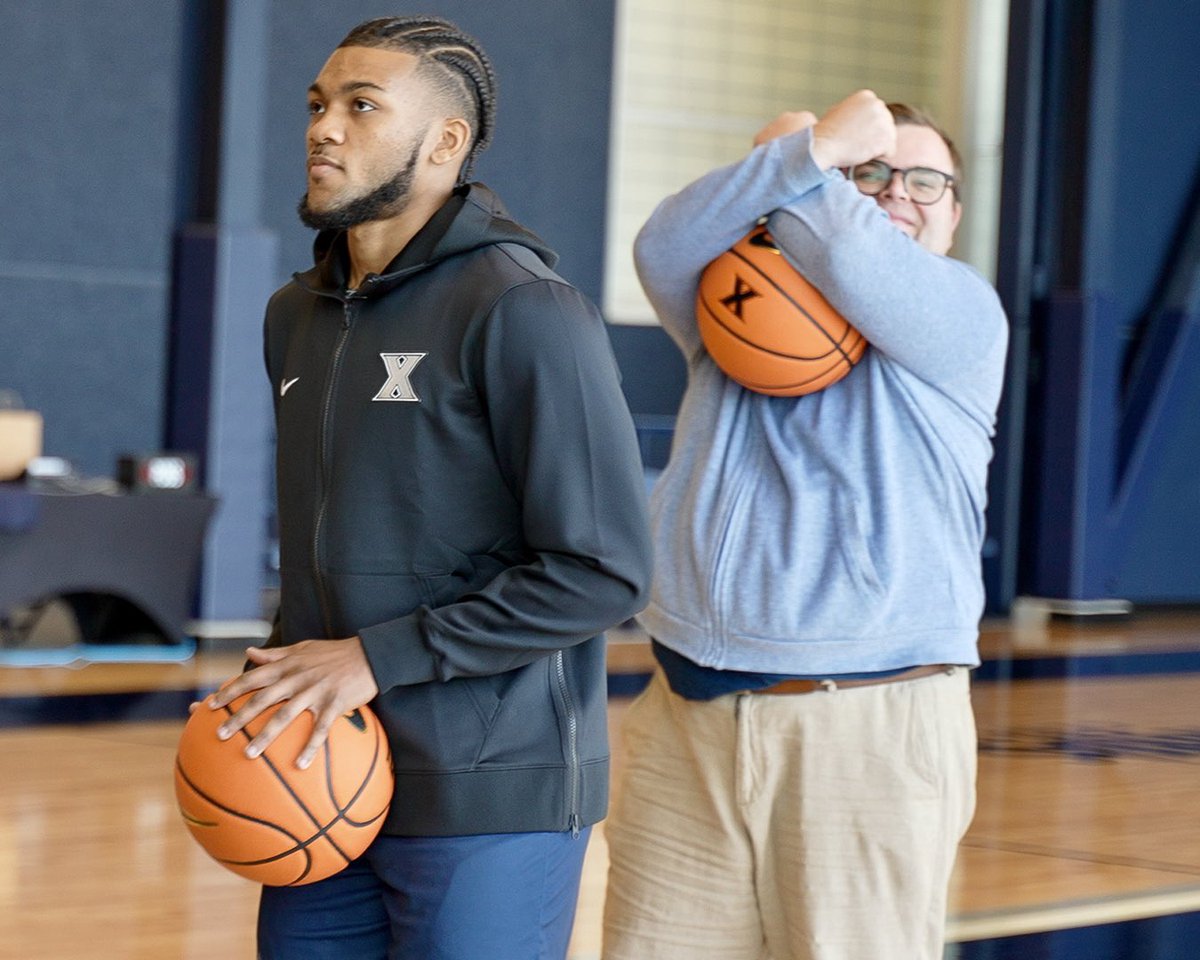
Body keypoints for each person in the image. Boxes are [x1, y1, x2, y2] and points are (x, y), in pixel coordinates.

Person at [198, 16, 652, 960]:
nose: (325, 128)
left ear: (444, 144)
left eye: (363, 107)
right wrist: (276, 684)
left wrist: (375, 655)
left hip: (490, 785)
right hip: (324, 772)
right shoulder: (296, 314)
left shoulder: (524, 309)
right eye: (319, 104)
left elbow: (603, 572)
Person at [601, 90, 1008, 960]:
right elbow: (661, 246)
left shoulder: (963, 318)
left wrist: (801, 152)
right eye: (873, 171)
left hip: (864, 722)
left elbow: (853, 259)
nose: (897, 192)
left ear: (956, 215)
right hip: (686, 713)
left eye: (925, 180)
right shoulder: (735, 310)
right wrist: (810, 152)